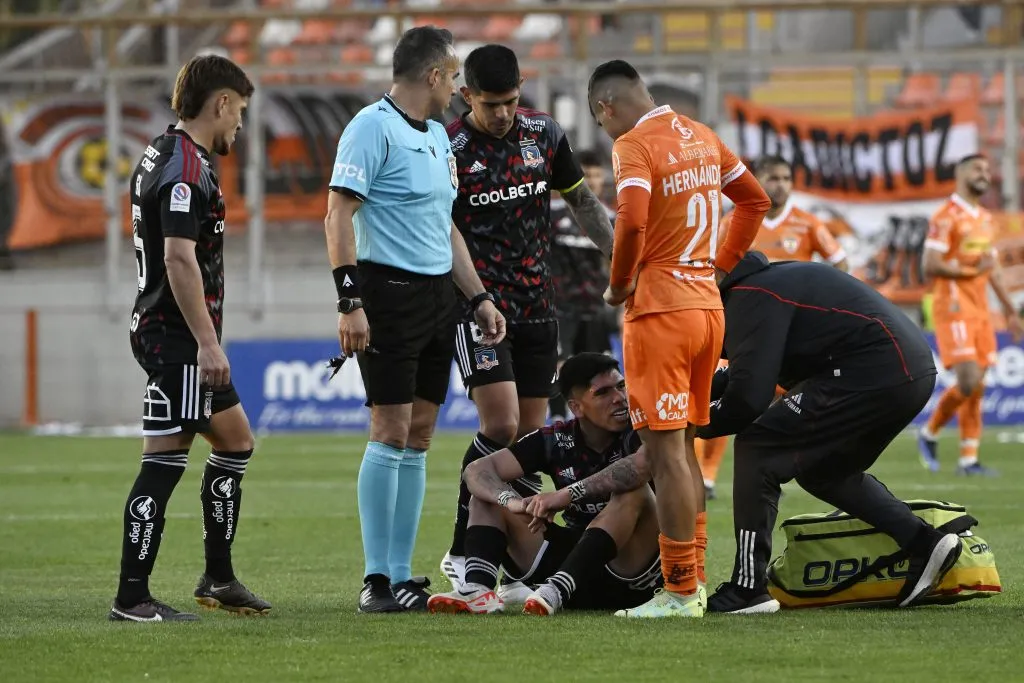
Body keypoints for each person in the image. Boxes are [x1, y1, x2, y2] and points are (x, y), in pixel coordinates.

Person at [325, 26, 505, 613]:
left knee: (421, 436)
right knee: (390, 430)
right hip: (388, 295)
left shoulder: (436, 137)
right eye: (454, 77)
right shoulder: (369, 127)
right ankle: (376, 578)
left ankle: (402, 574)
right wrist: (349, 301)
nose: (457, 89)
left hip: (438, 301)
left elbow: (445, 226)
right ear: (432, 75)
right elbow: (337, 215)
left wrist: (478, 297)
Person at [587, 59, 770, 618]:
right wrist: (719, 267)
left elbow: (633, 221)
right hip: (706, 310)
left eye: (601, 124)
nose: (605, 133)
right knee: (683, 448)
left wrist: (619, 286)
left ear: (606, 107)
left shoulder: (634, 146)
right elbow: (755, 200)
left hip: (660, 313)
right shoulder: (703, 135)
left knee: (663, 454)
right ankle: (693, 581)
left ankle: (681, 590)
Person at [441, 44, 615, 591]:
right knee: (498, 424)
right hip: (479, 305)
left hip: (540, 306)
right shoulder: (448, 148)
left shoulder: (545, 134)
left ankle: (512, 557)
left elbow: (582, 202)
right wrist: (474, 297)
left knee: (529, 436)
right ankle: (461, 550)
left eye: (511, 101)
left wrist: (621, 259)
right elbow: (438, 231)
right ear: (466, 95)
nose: (502, 114)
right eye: (491, 104)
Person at [112, 55, 269, 622]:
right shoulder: (184, 167)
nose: (239, 126)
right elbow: (179, 259)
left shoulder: (168, 152)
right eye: (240, 113)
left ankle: (219, 576)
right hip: (176, 337)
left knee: (235, 443)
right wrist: (207, 343)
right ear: (222, 102)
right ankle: (132, 597)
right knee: (163, 462)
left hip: (169, 331)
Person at [426, 353, 661, 615]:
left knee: (633, 492)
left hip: (630, 574)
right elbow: (477, 470)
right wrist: (512, 502)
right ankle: (478, 591)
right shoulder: (556, 439)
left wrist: (565, 495)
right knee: (486, 496)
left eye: (621, 386)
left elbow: (641, 466)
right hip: (570, 564)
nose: (619, 398)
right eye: (603, 392)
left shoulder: (641, 429)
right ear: (576, 407)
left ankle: (557, 589)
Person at [698, 154, 849, 500]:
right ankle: (707, 476)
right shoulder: (734, 221)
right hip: (745, 327)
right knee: (732, 392)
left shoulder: (807, 223)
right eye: (772, 178)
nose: (779, 185)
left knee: (788, 402)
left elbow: (840, 262)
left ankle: (788, 468)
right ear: (757, 181)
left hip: (795, 329)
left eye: (785, 178)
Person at [917, 154, 1023, 475]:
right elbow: (929, 266)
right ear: (961, 175)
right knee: (968, 380)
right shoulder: (945, 216)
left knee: (978, 386)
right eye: (978, 168)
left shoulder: (986, 219)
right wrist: (967, 270)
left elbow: (992, 271)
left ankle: (968, 459)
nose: (985, 174)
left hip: (980, 310)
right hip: (952, 307)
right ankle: (929, 431)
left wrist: (1010, 310)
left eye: (987, 169)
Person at [547, 149, 619, 423]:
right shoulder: (553, 216)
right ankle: (557, 425)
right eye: (586, 174)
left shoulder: (612, 219)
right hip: (560, 306)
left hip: (596, 308)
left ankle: (599, 425)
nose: (592, 181)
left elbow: (617, 265)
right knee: (560, 368)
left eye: (597, 175)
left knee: (601, 372)